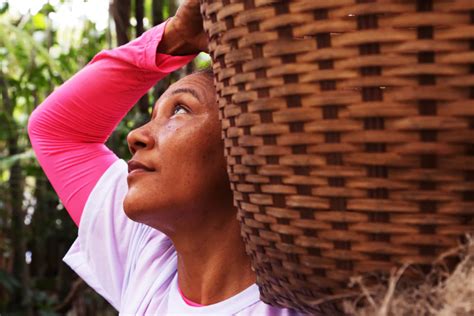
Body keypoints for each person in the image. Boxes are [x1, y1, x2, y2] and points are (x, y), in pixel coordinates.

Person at [28, 0, 307, 314]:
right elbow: (57, 130)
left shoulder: (309, 303)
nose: (137, 136)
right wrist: (177, 38)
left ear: (249, 145)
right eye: (154, 114)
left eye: (180, 110)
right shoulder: (149, 256)